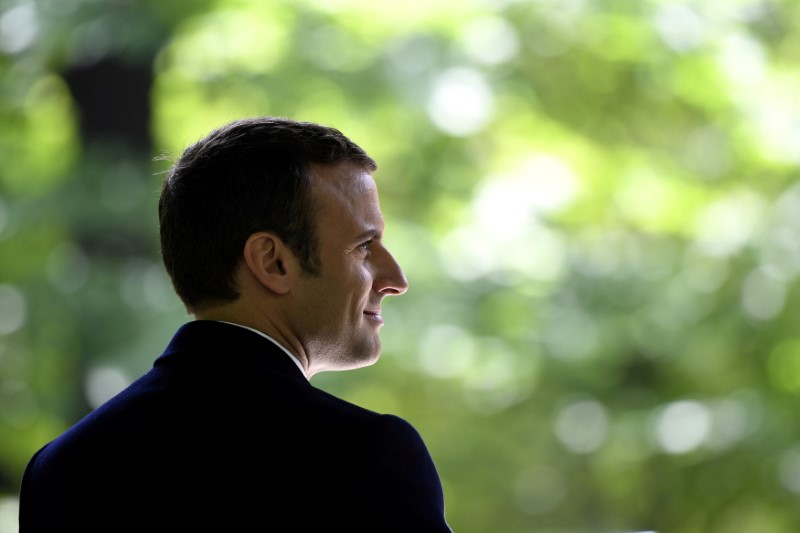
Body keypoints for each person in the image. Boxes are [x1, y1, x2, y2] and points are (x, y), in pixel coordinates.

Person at [19, 117, 452, 532]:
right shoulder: (363, 454)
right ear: (272, 261)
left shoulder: (58, 468)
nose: (396, 279)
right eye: (364, 246)